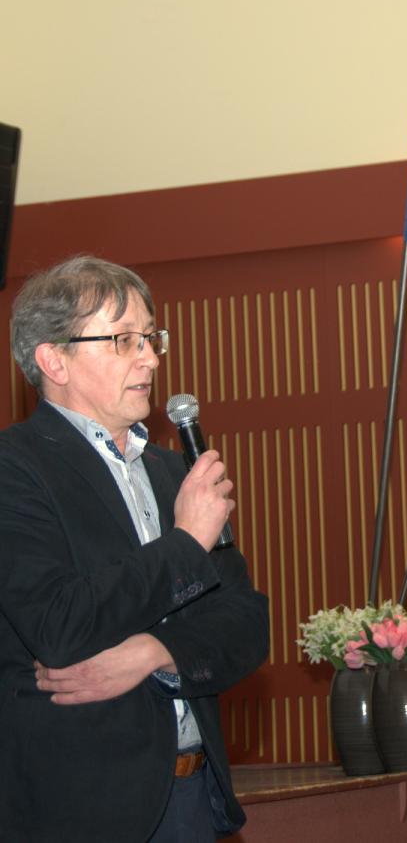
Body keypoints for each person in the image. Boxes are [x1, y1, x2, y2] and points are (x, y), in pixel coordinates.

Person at [0, 255, 269, 842]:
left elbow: (247, 625)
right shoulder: (15, 469)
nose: (150, 358)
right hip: (79, 812)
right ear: (54, 360)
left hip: (193, 797)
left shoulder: (174, 473)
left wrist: (156, 651)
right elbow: (59, 624)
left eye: (151, 337)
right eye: (124, 340)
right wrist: (185, 543)